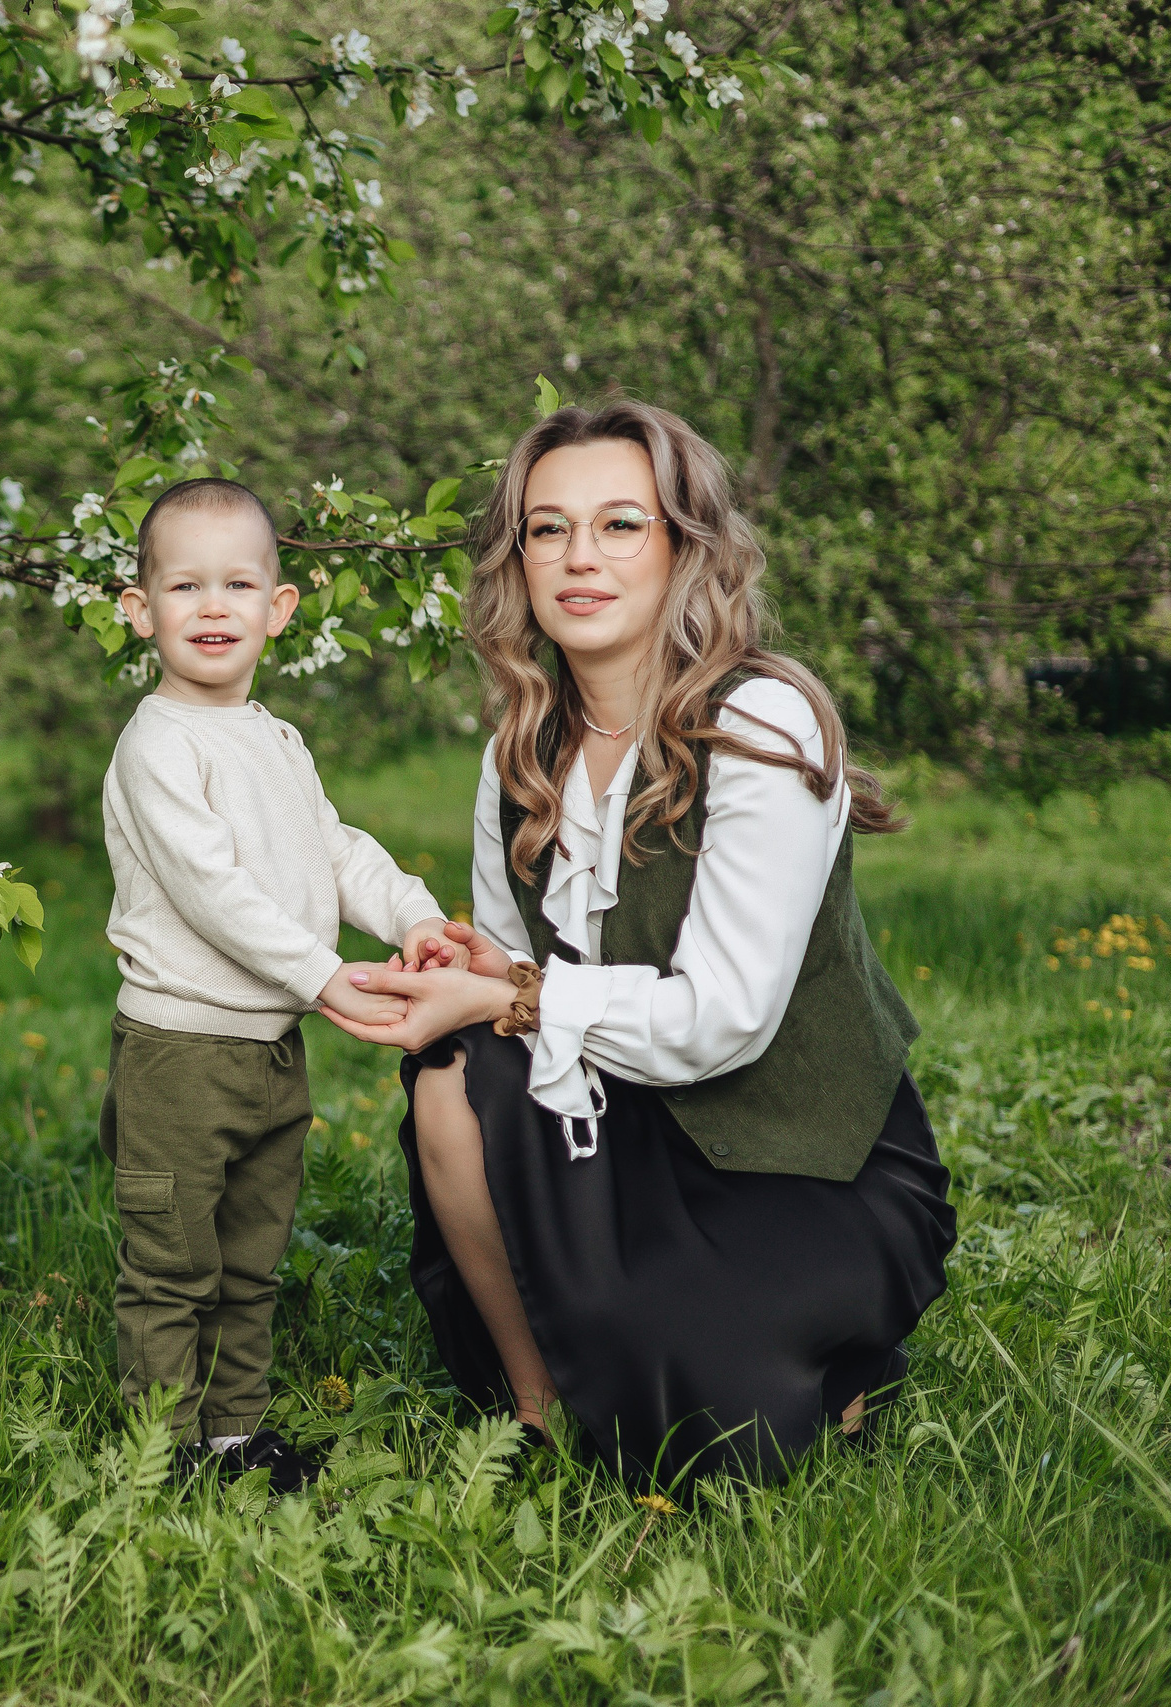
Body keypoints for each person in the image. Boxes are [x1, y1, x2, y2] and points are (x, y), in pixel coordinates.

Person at [323, 399, 957, 1486]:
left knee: (706, 1440)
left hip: (807, 1158)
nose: (580, 557)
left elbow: (722, 1022)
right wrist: (480, 980)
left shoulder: (762, 724)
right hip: (624, 1123)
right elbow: (521, 996)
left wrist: (510, 1001)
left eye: (620, 524)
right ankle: (536, 1414)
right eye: (547, 528)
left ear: (683, 546)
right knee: (450, 1072)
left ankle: (835, 1361)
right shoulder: (515, 756)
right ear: (516, 558)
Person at [98, 476, 459, 1491]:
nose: (213, 607)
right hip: (181, 1053)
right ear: (140, 611)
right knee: (174, 1263)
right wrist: (324, 974)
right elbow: (212, 891)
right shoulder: (157, 746)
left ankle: (233, 1436)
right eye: (184, 586)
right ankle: (158, 1453)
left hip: (268, 1053)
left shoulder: (274, 738)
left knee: (249, 1258)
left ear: (277, 609)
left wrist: (414, 916)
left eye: (238, 584)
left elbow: (330, 850)